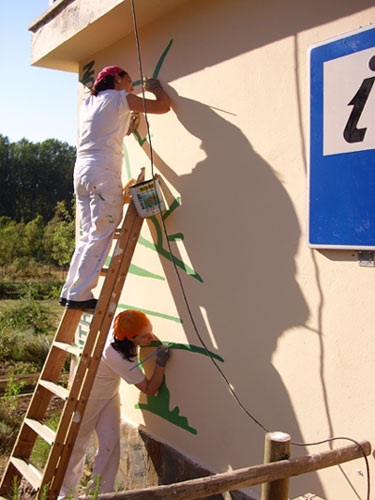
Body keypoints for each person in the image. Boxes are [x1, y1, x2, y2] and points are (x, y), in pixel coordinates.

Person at [59, 66, 171, 310]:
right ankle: (81, 295)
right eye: (129, 81)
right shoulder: (120, 98)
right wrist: (156, 88)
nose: (132, 87)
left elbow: (109, 127)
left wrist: (127, 121)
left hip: (82, 172)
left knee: (88, 233)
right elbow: (163, 107)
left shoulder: (89, 103)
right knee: (103, 229)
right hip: (102, 172)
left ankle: (71, 290)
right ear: (117, 78)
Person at [58, 309, 170, 499]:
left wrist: (145, 339)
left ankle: (101, 494)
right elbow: (150, 389)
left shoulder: (121, 330)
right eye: (145, 336)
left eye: (150, 330)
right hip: (88, 397)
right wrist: (160, 364)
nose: (151, 337)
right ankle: (64, 495)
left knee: (110, 444)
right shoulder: (116, 355)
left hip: (109, 394)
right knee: (77, 445)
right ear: (129, 338)